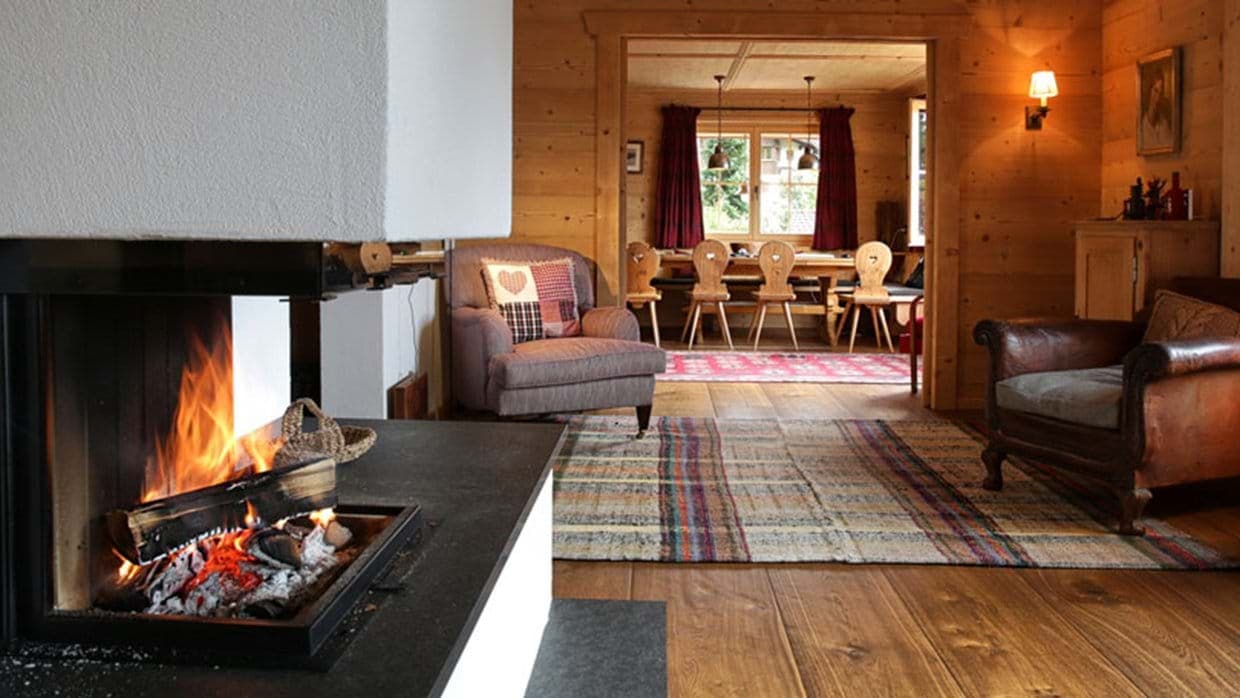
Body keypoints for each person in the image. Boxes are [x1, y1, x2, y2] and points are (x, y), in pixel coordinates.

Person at [1141, 69, 1173, 149]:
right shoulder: (1142, 128)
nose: (1158, 98)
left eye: (1161, 93)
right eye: (1155, 91)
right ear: (1149, 91)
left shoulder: (1164, 123)